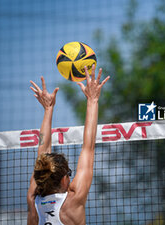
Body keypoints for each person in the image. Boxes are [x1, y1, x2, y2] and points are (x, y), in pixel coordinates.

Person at [27, 65, 110, 225]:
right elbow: (88, 148)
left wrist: (48, 109)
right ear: (64, 179)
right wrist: (93, 100)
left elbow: (42, 154)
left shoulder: (33, 203)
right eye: (69, 173)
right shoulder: (72, 201)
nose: (70, 177)